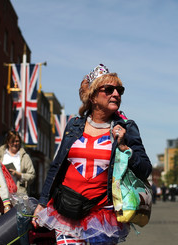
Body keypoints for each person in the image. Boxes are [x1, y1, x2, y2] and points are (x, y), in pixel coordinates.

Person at [32, 64, 152, 245]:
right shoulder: (74, 125)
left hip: (102, 217)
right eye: (109, 89)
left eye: (119, 90)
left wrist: (125, 148)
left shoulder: (127, 127)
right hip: (66, 210)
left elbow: (145, 169)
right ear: (93, 96)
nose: (116, 94)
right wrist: (42, 203)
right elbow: (57, 166)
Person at [0, 130, 36, 195]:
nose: (15, 143)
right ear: (8, 142)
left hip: (18, 194)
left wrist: (19, 175)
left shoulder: (25, 157)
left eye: (17, 141)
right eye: (12, 141)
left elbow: (32, 175)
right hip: (2, 193)